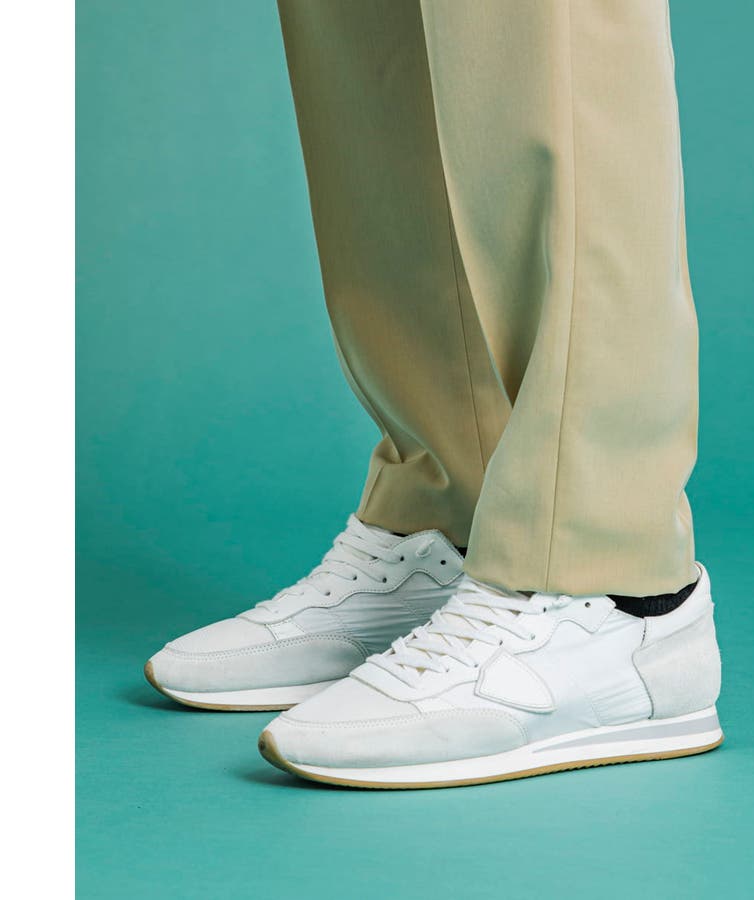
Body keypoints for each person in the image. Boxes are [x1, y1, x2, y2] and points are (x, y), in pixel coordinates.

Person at [145, 0, 723, 788]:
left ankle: (604, 578)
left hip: (604, 589)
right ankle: (451, 517)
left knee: (545, 39)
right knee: (368, 46)